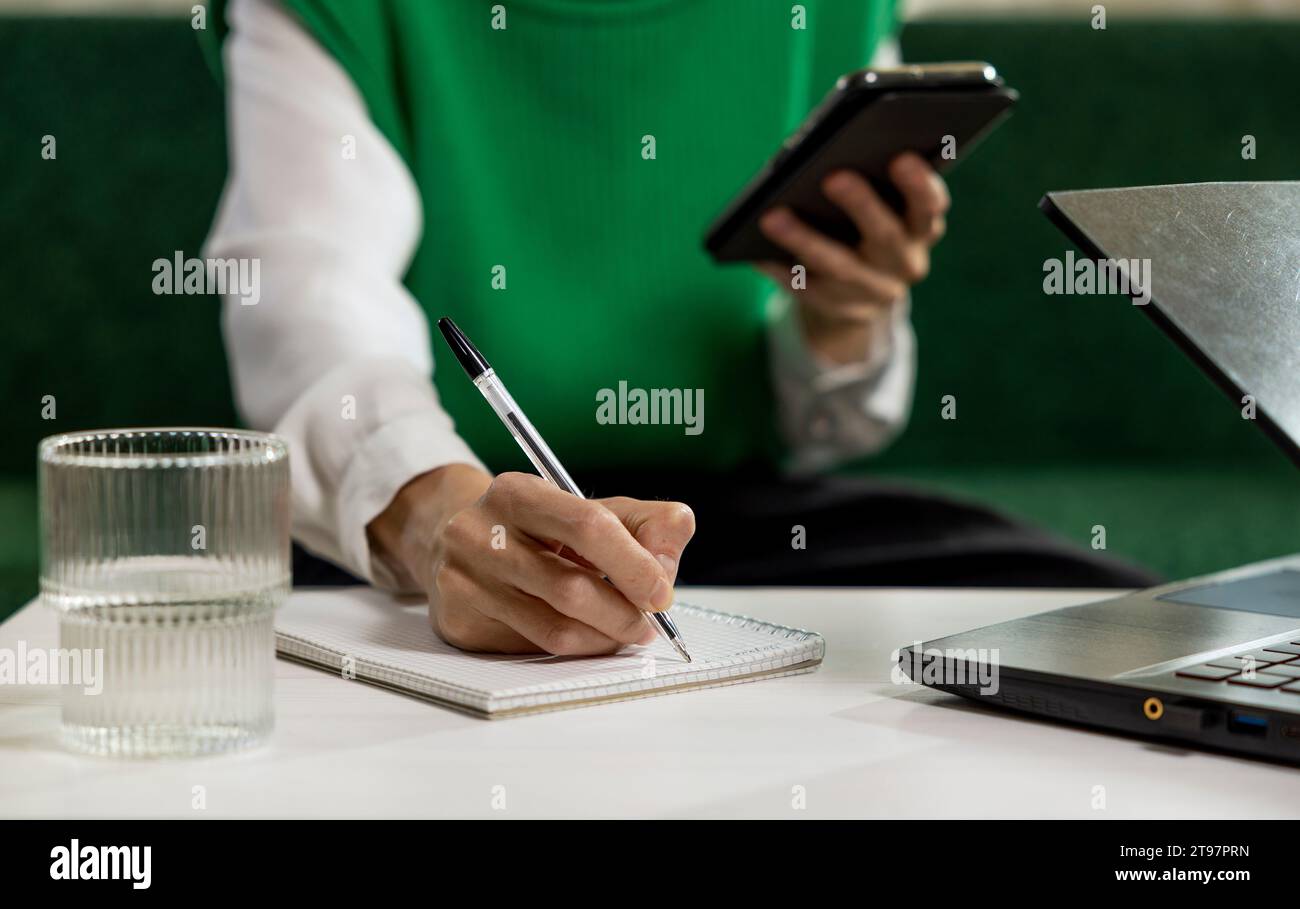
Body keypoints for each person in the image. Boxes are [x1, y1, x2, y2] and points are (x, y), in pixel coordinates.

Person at [204, 0, 1154, 656]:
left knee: (1127, 622)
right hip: (435, 525)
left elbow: (831, 429)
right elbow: (308, 296)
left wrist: (842, 318)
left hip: (733, 521)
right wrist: (436, 517)